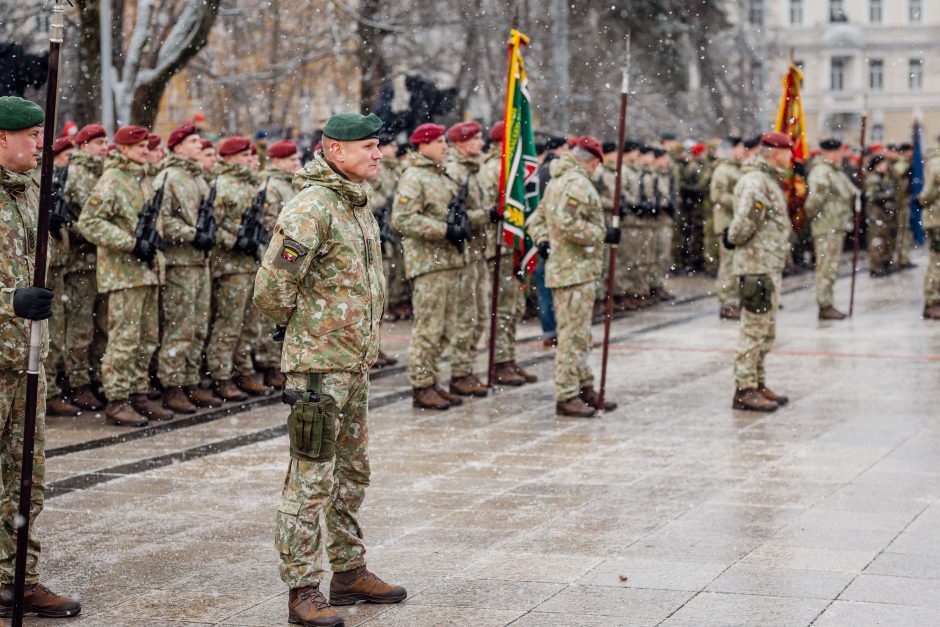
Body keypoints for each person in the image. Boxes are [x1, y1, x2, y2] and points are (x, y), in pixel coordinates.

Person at [253, 112, 406, 627]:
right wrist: (304, 330)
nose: (378, 154)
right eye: (367, 146)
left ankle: (348, 570)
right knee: (310, 478)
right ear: (334, 151)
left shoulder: (354, 203)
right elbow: (273, 287)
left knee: (351, 473)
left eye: (377, 144)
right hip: (319, 366)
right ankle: (301, 588)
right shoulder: (312, 207)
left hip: (354, 361)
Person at [0, 96, 82, 618]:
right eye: (31, 136)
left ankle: (18, 579)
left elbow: (51, 262)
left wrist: (61, 226)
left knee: (25, 476)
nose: (40, 145)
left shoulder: (30, 190)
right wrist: (7, 301)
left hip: (28, 358)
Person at [77, 125, 171, 427]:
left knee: (147, 337)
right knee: (124, 339)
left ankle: (137, 393)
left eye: (147, 145)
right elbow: (89, 222)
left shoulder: (141, 178)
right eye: (140, 146)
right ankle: (117, 400)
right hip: (124, 273)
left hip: (147, 271)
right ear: (124, 150)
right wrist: (129, 243)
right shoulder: (112, 180)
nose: (146, 150)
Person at [541, 136, 619, 417]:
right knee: (573, 336)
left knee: (580, 334)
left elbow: (537, 219)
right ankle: (566, 394)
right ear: (594, 161)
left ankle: (584, 386)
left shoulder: (559, 180)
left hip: (572, 268)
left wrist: (543, 240)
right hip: (573, 270)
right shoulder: (576, 183)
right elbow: (566, 223)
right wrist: (602, 234)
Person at [392, 123, 467, 410]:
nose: (444, 146)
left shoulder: (443, 175)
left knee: (447, 327)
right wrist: (443, 230)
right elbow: (403, 219)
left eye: (444, 141)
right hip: (428, 263)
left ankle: (433, 380)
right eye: (438, 142)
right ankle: (421, 385)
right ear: (422, 146)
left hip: (449, 260)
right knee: (429, 328)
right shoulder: (414, 177)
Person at [154, 122, 221, 413]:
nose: (199, 144)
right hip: (179, 262)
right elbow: (163, 221)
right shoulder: (169, 177)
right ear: (178, 146)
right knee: (179, 326)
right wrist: (193, 234)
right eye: (193, 141)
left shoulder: (199, 179)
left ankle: (191, 379)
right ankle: (172, 384)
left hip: (200, 262)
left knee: (198, 324)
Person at [725, 132, 793, 412]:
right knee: (753, 329)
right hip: (756, 265)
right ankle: (744, 388)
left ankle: (758, 380)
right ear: (774, 152)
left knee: (766, 329)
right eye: (787, 152)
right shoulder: (755, 182)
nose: (791, 157)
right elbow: (743, 225)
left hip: (768, 263)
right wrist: (733, 237)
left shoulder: (767, 180)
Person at [206, 136, 270, 401]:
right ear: (229, 157)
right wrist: (235, 240)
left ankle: (243, 369)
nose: (248, 159)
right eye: (243, 155)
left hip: (250, 262)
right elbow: (212, 225)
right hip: (229, 264)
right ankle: (221, 375)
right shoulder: (221, 186)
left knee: (249, 324)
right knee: (228, 322)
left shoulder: (250, 186)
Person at [61, 123, 111, 412]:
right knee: (80, 326)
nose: (104, 147)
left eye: (105, 142)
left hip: (101, 261)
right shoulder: (79, 174)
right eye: (98, 142)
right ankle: (78, 382)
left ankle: (95, 376)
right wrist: (100, 232)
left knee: (101, 325)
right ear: (83, 146)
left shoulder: (102, 173)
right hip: (82, 261)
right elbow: (77, 220)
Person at [444, 121, 493, 396]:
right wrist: (486, 215)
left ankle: (467, 368)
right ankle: (459, 371)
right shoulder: (455, 172)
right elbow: (455, 216)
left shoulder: (473, 171)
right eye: (476, 140)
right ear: (461, 144)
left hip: (478, 252)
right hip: (464, 254)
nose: (481, 144)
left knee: (480, 315)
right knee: (466, 316)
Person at [805, 138, 857, 320]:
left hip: (836, 225)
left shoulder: (836, 172)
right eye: (839, 152)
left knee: (831, 267)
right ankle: (824, 304)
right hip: (827, 226)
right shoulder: (821, 172)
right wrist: (815, 218)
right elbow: (813, 202)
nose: (841, 155)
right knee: (826, 267)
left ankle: (827, 302)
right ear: (830, 153)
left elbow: (852, 193)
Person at [710, 136, 746, 319]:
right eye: (740, 148)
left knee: (737, 264)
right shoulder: (723, 170)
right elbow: (717, 195)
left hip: (736, 224)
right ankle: (727, 303)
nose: (743, 151)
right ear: (731, 149)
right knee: (728, 266)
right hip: (726, 223)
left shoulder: (738, 169)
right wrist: (740, 202)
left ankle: (734, 300)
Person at [916, 137, 940, 320]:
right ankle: (932, 302)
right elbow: (929, 192)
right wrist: (921, 201)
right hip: (937, 219)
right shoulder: (936, 163)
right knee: (936, 262)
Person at [864, 155, 898, 278]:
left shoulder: (882, 177)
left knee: (885, 240)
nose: (886, 167)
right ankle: (875, 266)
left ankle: (883, 263)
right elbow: (872, 196)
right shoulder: (873, 179)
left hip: (883, 214)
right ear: (877, 166)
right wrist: (887, 195)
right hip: (875, 214)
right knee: (877, 241)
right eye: (883, 164)